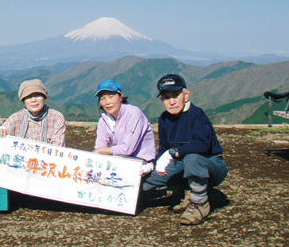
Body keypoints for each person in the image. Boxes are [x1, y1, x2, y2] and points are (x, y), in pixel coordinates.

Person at [142, 74, 228, 225]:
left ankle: (200, 204)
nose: (172, 101)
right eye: (167, 97)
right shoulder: (164, 119)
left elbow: (202, 145)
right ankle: (185, 189)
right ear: (162, 100)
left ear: (186, 95)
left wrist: (176, 152)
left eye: (176, 95)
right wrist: (152, 166)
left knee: (192, 157)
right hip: (182, 164)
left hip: (211, 166)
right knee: (147, 178)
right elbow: (164, 149)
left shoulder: (197, 115)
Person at [93, 79, 156, 176]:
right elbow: (99, 147)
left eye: (111, 96)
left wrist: (102, 150)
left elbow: (127, 149)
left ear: (121, 96)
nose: (107, 102)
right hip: (120, 159)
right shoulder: (104, 120)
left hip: (141, 160)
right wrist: (99, 151)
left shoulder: (134, 114)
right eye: (102, 98)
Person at [0, 79, 66, 146]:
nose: (33, 100)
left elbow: (57, 148)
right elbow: (0, 139)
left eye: (37, 95)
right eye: (28, 96)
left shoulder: (56, 117)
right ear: (23, 100)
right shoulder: (15, 118)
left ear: (44, 97)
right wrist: (0, 131)